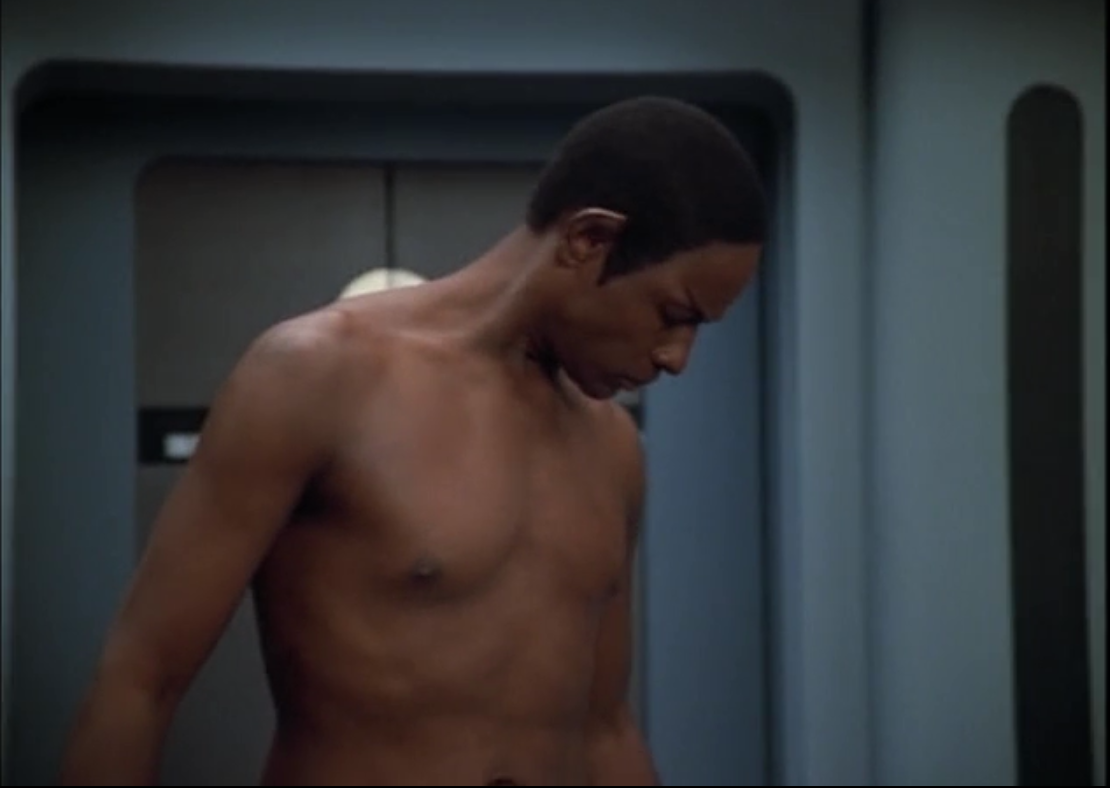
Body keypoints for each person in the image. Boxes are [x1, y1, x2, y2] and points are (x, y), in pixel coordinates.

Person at [59, 96, 769, 786]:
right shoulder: (317, 374)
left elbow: (604, 730)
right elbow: (141, 680)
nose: (677, 358)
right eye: (673, 314)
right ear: (588, 240)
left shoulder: (613, 448)